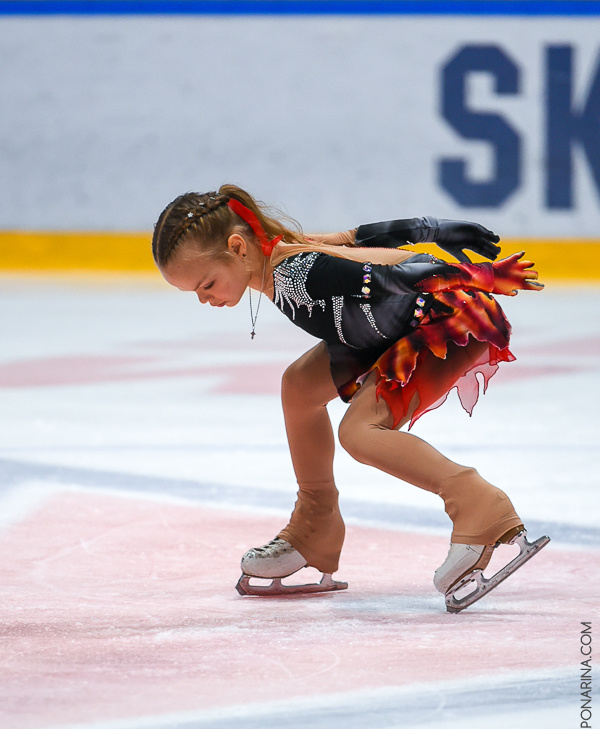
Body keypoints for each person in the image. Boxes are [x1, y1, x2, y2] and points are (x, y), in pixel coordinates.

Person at [151, 185, 549, 612]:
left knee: (360, 431)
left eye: (206, 284)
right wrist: (437, 229)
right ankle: (315, 524)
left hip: (446, 316)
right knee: (299, 387)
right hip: (387, 323)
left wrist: (477, 276)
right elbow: (357, 239)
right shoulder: (282, 252)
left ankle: (478, 504)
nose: (204, 298)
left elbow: (387, 278)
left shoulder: (298, 273)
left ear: (237, 248)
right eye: (193, 292)